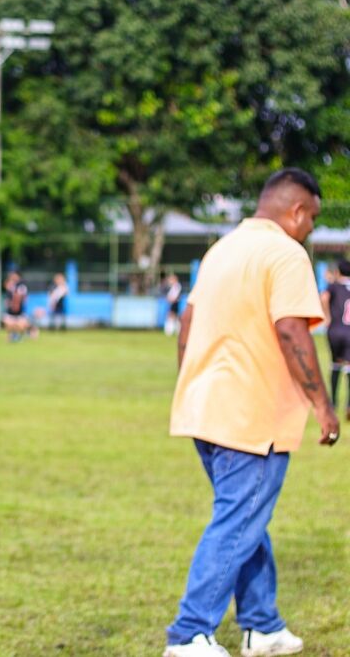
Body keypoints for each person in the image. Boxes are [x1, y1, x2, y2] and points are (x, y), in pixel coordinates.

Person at [164, 168, 339, 657]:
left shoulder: (222, 250)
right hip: (252, 417)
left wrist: (191, 386)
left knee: (246, 518)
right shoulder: (285, 253)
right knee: (238, 522)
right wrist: (323, 406)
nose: (310, 231)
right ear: (298, 211)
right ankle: (189, 633)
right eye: (312, 220)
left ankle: (260, 625)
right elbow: (291, 330)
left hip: (205, 410)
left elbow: (187, 325)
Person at [321, 258, 350, 419]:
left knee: (335, 364)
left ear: (338, 272)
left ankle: (332, 403)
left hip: (335, 331)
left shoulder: (334, 286)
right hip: (349, 331)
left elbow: (324, 297)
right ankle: (349, 404)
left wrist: (327, 317)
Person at [1, 271, 34, 341]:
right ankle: (13, 335)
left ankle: (28, 331)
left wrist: (16, 303)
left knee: (20, 325)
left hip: (19, 309)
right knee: (8, 323)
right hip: (11, 309)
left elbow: (21, 297)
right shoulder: (12, 285)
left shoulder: (21, 285)